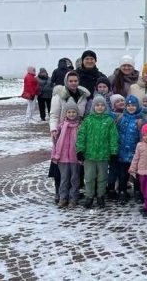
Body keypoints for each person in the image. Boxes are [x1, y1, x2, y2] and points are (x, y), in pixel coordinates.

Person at [49, 70, 90, 202]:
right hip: (62, 132)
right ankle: (59, 192)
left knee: (75, 166)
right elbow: (54, 115)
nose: (73, 83)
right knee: (60, 165)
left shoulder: (83, 95)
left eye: (75, 81)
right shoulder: (59, 96)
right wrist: (54, 129)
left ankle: (74, 192)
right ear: (66, 82)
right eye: (70, 81)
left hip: (77, 131)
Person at [76, 95, 119, 209]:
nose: (99, 107)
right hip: (89, 155)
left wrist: (113, 152)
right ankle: (89, 196)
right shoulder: (87, 120)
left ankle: (100, 196)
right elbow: (81, 136)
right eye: (97, 105)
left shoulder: (109, 121)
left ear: (105, 107)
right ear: (93, 107)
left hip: (103, 155)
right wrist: (80, 150)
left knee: (102, 177)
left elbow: (113, 137)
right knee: (89, 177)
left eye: (102, 105)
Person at [51, 101, 81, 208]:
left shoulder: (80, 126)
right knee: (64, 179)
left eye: (74, 112)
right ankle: (63, 198)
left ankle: (73, 198)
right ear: (65, 113)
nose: (71, 114)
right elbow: (55, 142)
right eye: (69, 112)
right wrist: (54, 155)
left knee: (74, 179)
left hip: (75, 158)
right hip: (62, 158)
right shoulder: (61, 126)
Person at [116, 95, 143, 205]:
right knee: (123, 174)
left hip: (135, 152)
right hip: (122, 151)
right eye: (129, 105)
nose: (131, 108)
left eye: (133, 105)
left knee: (136, 174)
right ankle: (122, 191)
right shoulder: (121, 118)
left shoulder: (139, 120)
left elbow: (142, 136)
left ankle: (137, 191)